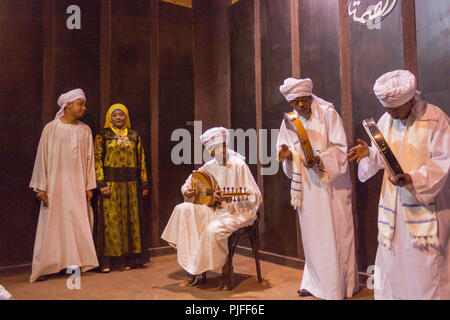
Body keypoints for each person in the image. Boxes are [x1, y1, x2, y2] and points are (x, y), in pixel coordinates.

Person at [348, 70, 449, 299]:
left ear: (411, 99)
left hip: (424, 210)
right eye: (386, 107)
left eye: (395, 108)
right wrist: (370, 154)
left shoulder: (435, 119)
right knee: (393, 265)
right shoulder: (386, 120)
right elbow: (386, 156)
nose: (390, 113)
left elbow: (443, 162)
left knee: (425, 270)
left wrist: (413, 178)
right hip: (394, 211)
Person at [277, 78, 359, 299]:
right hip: (308, 187)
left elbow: (341, 149)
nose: (300, 106)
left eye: (303, 100)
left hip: (331, 186)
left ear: (310, 97)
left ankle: (337, 287)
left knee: (334, 235)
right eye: (295, 102)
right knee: (313, 236)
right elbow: (285, 146)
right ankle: (314, 282)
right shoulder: (289, 121)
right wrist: (286, 156)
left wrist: (320, 160)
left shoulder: (328, 113)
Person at [161, 127, 262, 288]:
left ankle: (224, 269)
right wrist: (187, 190)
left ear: (225, 144)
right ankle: (192, 268)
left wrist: (230, 201)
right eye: (213, 149)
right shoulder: (209, 166)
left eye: (221, 146)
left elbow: (254, 196)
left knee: (213, 230)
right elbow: (190, 181)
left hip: (237, 212)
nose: (219, 151)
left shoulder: (238, 164)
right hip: (214, 209)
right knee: (183, 209)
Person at [29, 88, 98, 282]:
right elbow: (42, 158)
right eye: (80, 104)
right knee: (53, 225)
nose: (83, 108)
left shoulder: (85, 130)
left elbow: (89, 160)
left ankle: (73, 265)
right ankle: (48, 267)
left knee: (76, 223)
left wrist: (89, 186)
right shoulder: (51, 128)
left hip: (77, 186)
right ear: (68, 106)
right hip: (56, 186)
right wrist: (41, 186)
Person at [94, 104, 150, 272]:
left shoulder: (134, 135)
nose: (118, 118)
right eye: (115, 115)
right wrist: (101, 183)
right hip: (111, 183)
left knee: (130, 220)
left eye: (121, 115)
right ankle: (107, 261)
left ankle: (128, 259)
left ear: (126, 117)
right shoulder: (102, 135)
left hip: (131, 185)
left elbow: (141, 159)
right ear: (109, 118)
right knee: (111, 221)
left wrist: (144, 183)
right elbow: (97, 159)